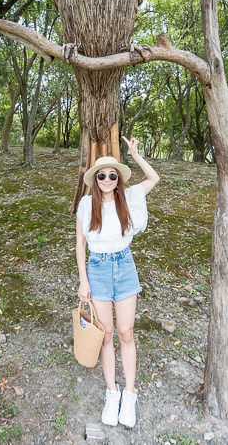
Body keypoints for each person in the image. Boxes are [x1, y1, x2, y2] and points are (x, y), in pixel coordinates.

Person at [75, 137, 159, 429]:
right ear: (95, 179)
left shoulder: (130, 197)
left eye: (113, 175)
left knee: (126, 332)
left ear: (118, 178)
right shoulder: (86, 204)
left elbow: (154, 177)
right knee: (107, 334)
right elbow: (80, 245)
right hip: (97, 269)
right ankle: (112, 392)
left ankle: (130, 393)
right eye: (102, 175)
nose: (107, 179)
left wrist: (135, 154)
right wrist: (83, 280)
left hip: (124, 266)